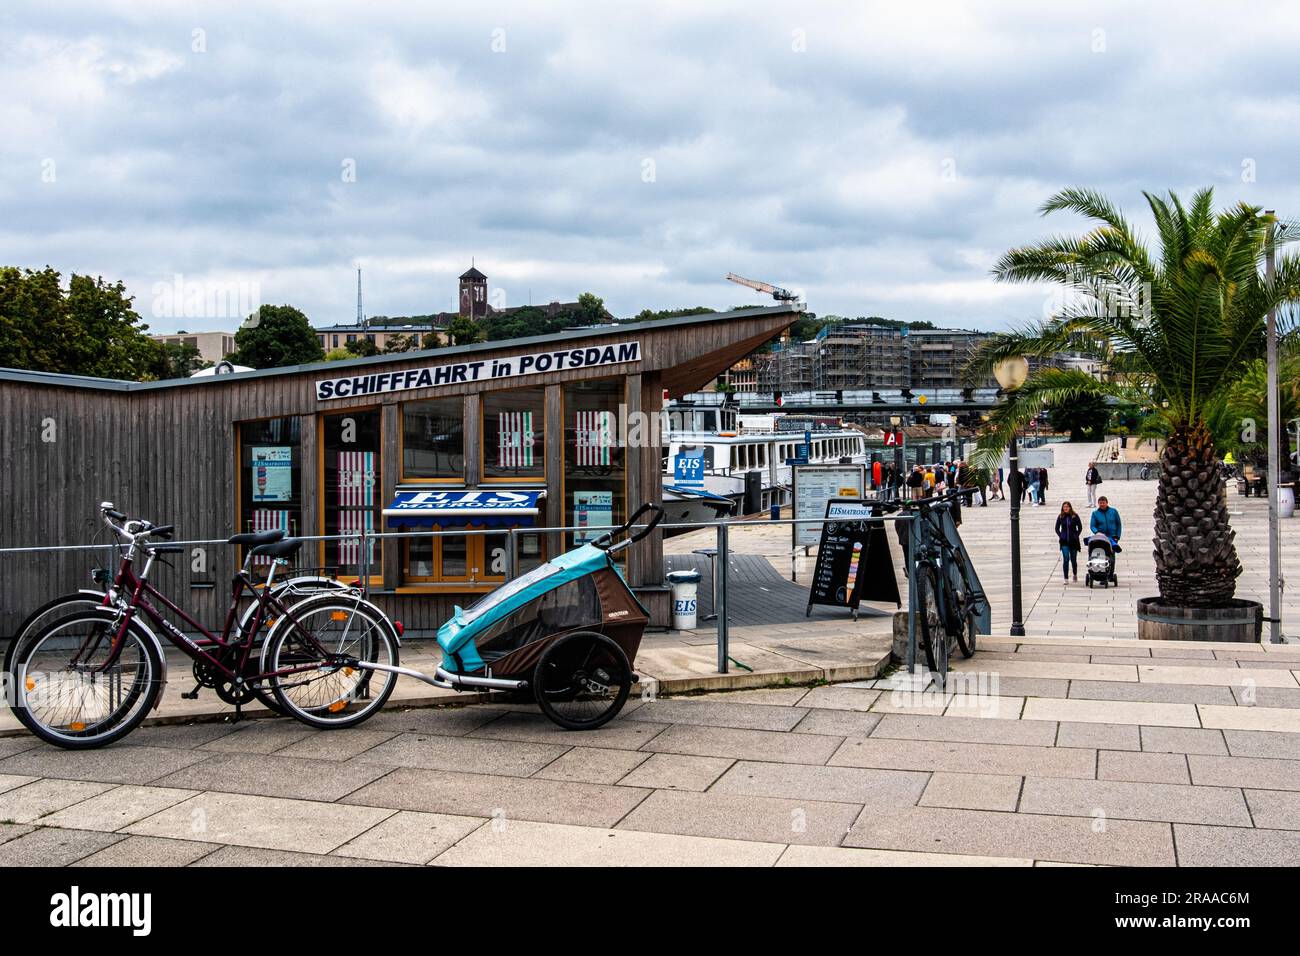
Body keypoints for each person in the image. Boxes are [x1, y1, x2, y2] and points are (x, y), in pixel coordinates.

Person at [1055, 501, 1082, 582]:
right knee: (1066, 559)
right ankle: (1066, 578)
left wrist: (1076, 536)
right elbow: (1056, 528)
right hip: (1064, 542)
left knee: (1073, 560)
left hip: (1073, 541)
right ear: (1062, 508)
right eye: (1064, 507)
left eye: (1067, 506)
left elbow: (1080, 527)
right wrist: (1061, 535)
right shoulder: (1060, 516)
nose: (1066, 508)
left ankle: (1074, 574)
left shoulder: (1075, 516)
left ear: (1070, 507)